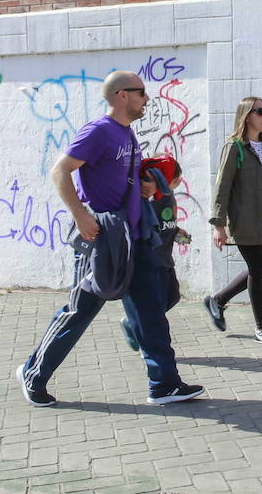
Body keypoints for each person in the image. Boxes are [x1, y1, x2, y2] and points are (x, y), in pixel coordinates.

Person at [16, 70, 205, 407]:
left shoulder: (127, 135)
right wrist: (80, 214)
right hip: (104, 240)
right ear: (122, 95)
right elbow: (60, 170)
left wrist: (144, 187)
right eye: (141, 93)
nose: (147, 99)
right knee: (79, 312)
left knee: (151, 311)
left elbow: (122, 177)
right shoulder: (98, 131)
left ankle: (164, 384)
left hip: (134, 238)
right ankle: (34, 373)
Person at [203, 97, 262, 346]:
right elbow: (222, 187)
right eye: (260, 111)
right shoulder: (235, 147)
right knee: (257, 270)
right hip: (244, 221)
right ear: (246, 116)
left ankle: (218, 300)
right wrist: (218, 224)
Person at [119, 155, 190, 351]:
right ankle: (144, 341)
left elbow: (167, 223)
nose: (179, 183)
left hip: (166, 258)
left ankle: (133, 321)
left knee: (173, 296)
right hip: (152, 259)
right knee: (154, 308)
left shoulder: (168, 196)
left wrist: (177, 231)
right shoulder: (149, 198)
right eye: (176, 180)